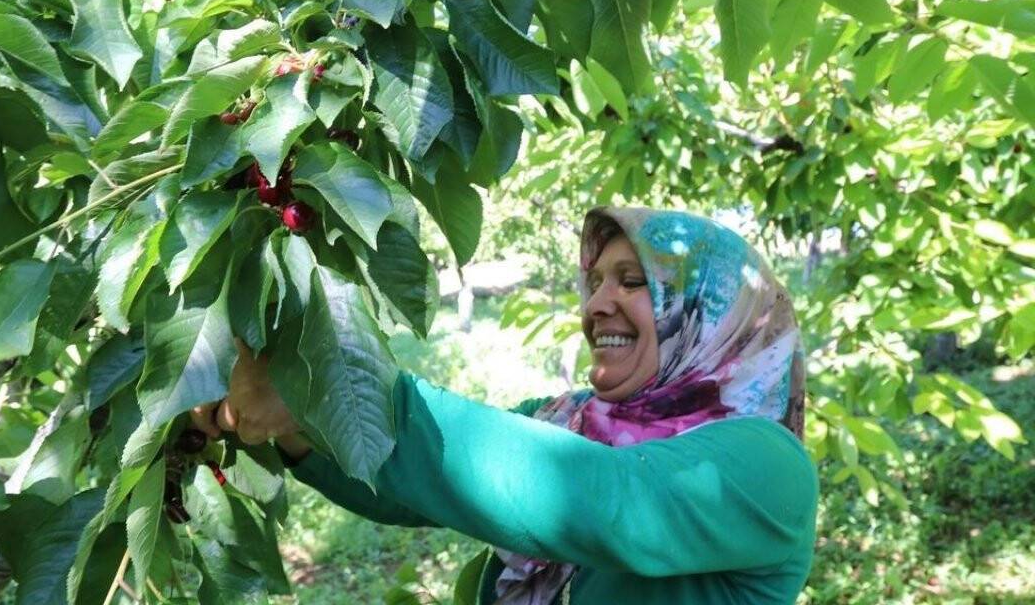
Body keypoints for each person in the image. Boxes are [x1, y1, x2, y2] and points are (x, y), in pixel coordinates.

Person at [192, 206, 818, 604]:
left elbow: (605, 501)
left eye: (633, 283)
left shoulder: (766, 464)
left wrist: (333, 380)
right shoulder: (567, 418)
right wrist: (304, 422)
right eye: (594, 281)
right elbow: (416, 482)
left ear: (712, 313)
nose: (596, 305)